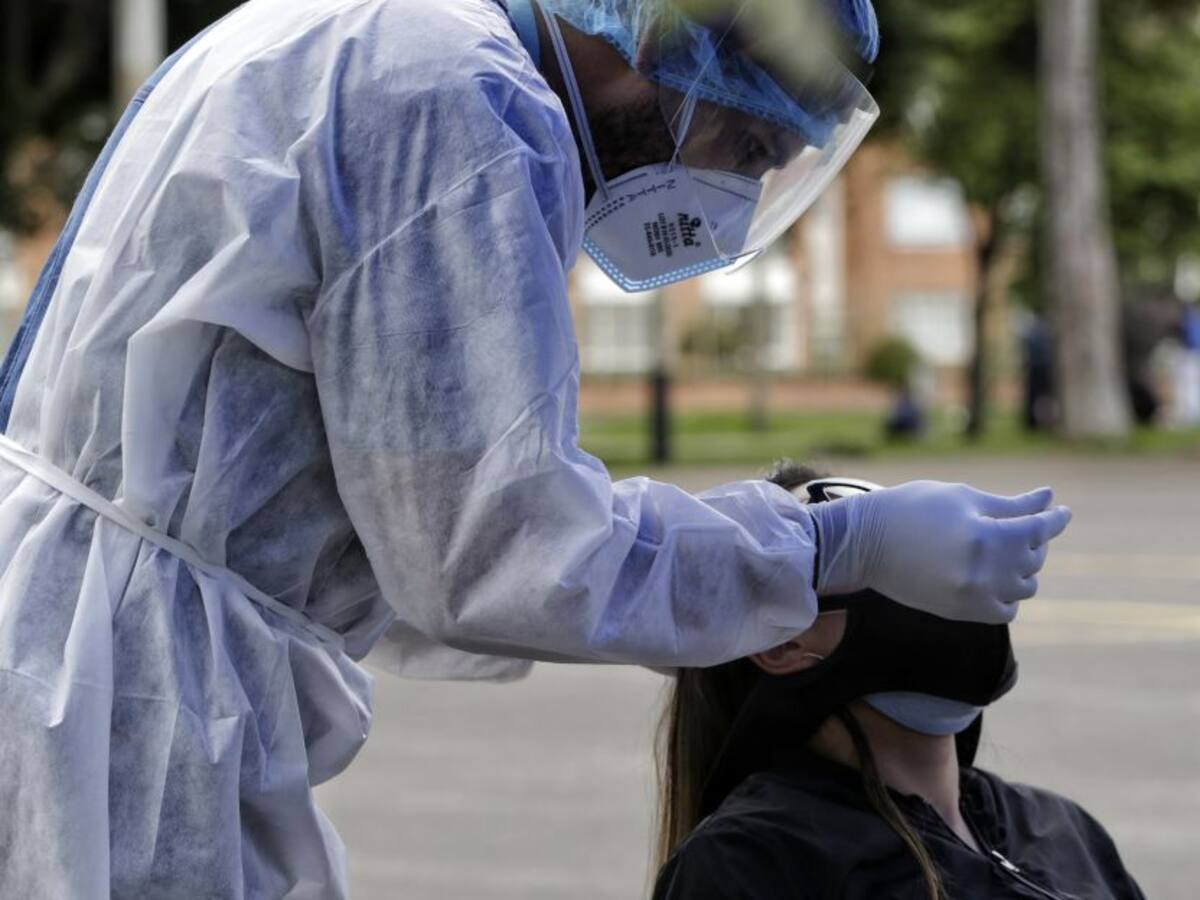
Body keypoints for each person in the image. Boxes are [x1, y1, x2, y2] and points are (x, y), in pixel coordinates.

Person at [0, 0, 1070, 896]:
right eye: (745, 147)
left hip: (96, 650)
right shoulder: (459, 101)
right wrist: (823, 549)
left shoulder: (364, 35)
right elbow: (492, 544)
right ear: (668, 40)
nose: (733, 197)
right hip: (123, 691)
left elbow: (409, 523)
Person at [652, 462, 1144, 900]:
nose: (938, 565)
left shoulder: (1060, 830)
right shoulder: (755, 863)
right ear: (780, 642)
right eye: (874, 553)